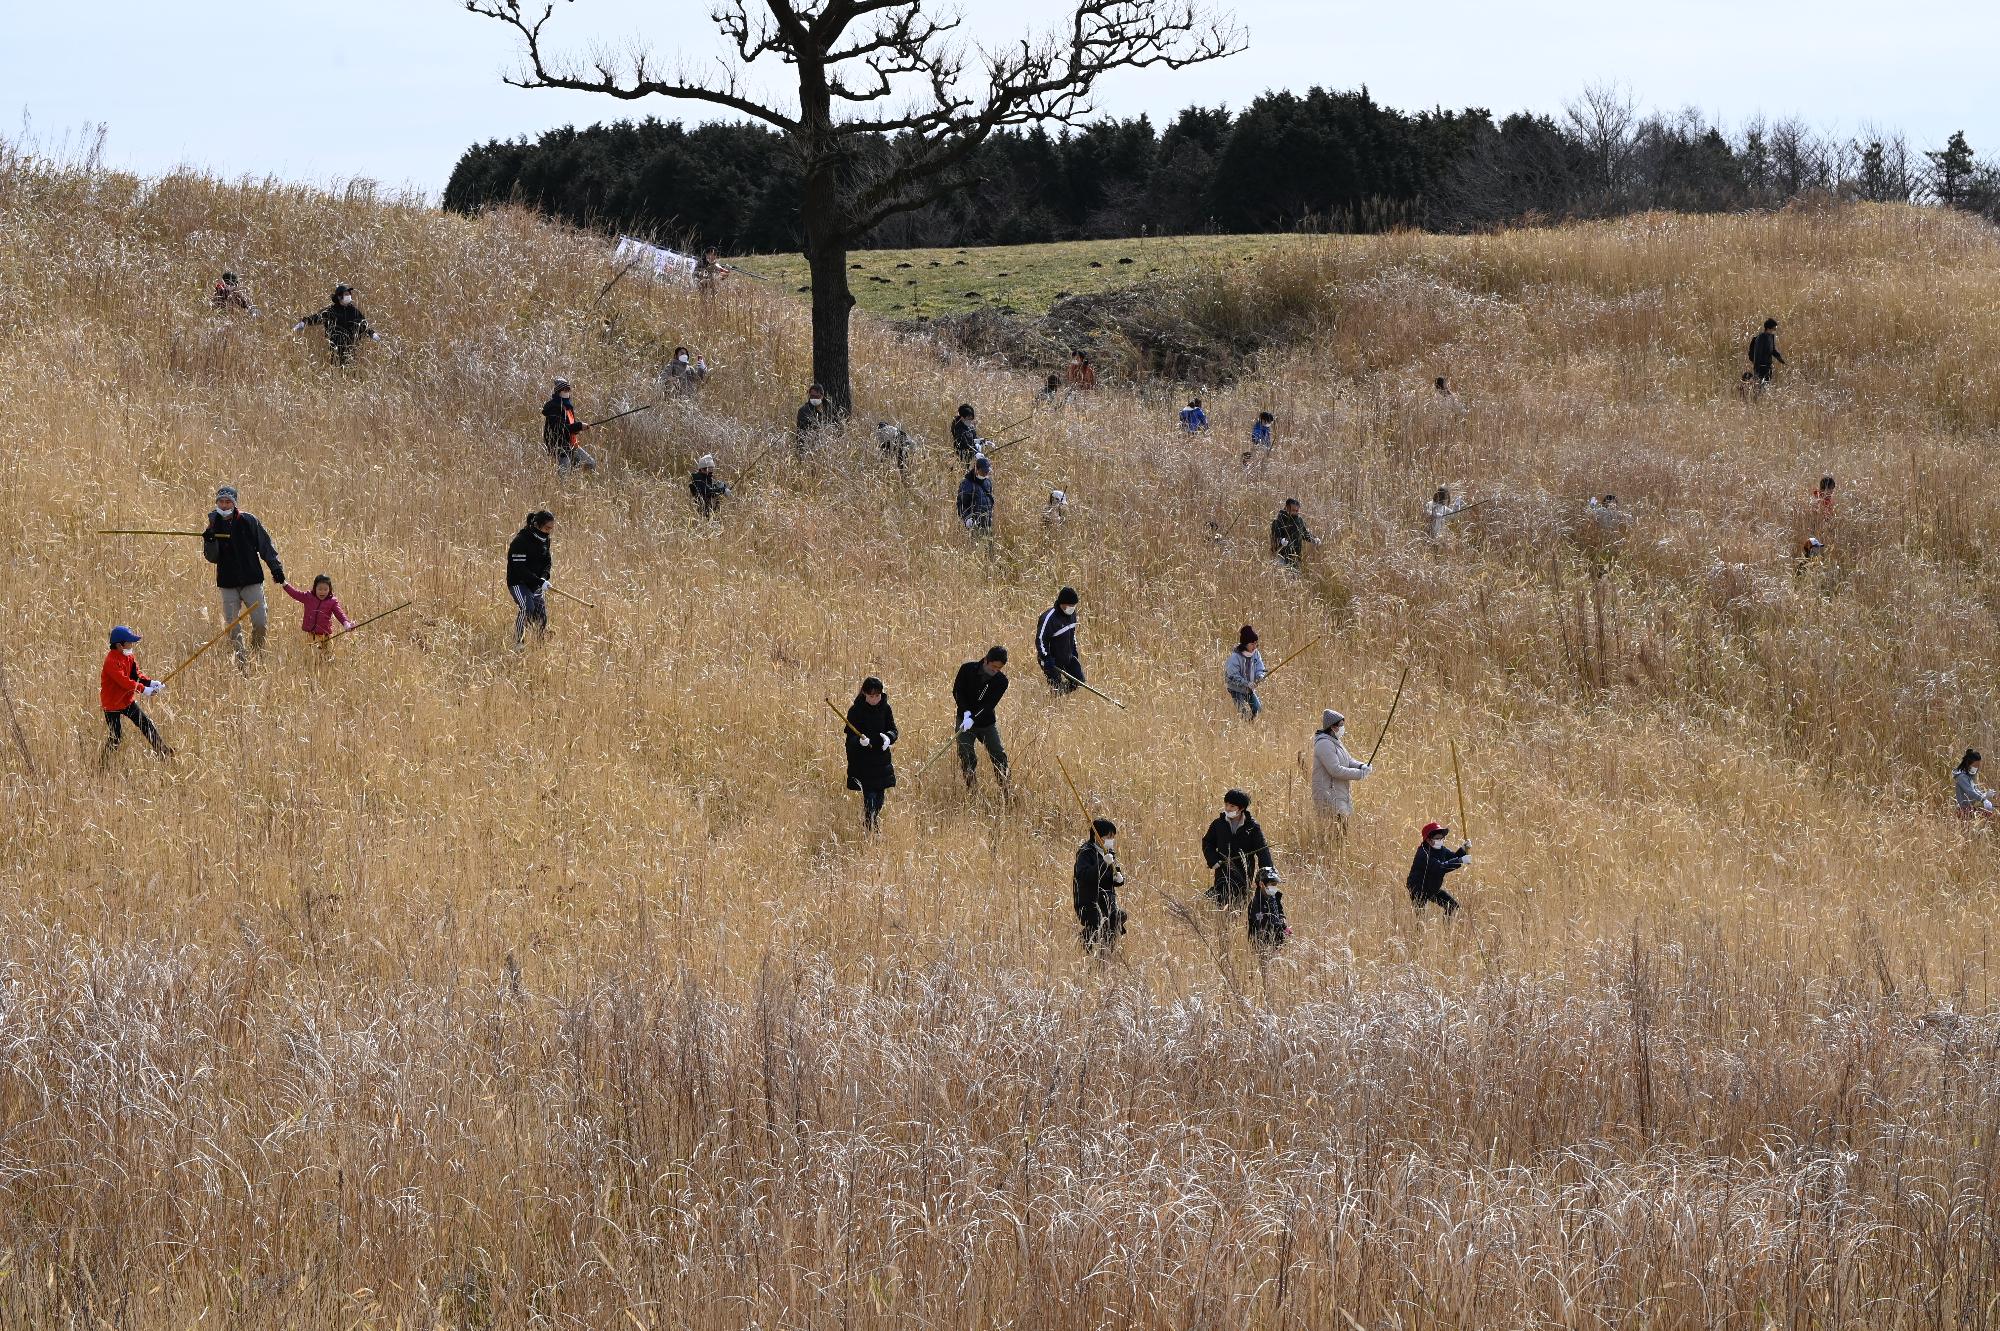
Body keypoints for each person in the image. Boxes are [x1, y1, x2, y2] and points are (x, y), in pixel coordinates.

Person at [203, 485, 284, 665]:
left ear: (234, 503)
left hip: (251, 580)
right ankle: (241, 662)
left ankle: (257, 654)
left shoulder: (249, 521)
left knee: (260, 622)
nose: (224, 505)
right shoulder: (213, 523)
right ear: (217, 503)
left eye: (228, 501)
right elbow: (212, 557)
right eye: (221, 502)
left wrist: (275, 568)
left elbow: (265, 546)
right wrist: (209, 541)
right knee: (233, 627)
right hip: (228, 582)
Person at [100, 625, 170, 761]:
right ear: (120, 645)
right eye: (129, 642)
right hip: (112, 704)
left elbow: (136, 675)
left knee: (146, 724)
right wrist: (144, 690)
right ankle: (103, 764)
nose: (132, 645)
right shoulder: (111, 662)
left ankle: (163, 752)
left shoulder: (129, 656)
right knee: (116, 737)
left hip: (126, 701)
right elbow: (124, 681)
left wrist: (150, 683)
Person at [844, 676, 899, 832]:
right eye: (871, 696)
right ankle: (871, 827)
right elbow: (850, 738)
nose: (874, 699)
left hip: (881, 761)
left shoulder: (886, 708)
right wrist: (859, 741)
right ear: (864, 694)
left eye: (877, 696)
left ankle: (872, 823)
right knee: (870, 799)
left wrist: (889, 737)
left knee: (880, 799)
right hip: (863, 762)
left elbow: (894, 730)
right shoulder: (855, 711)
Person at [951, 646, 1010, 791]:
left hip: (986, 723)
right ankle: (972, 789)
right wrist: (965, 713)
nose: (995, 670)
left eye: (999, 668)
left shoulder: (1001, 681)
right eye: (993, 666)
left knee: (998, 754)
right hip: (963, 721)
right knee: (966, 754)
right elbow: (958, 691)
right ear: (985, 660)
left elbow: (989, 705)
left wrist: (974, 718)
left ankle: (1006, 788)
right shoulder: (967, 669)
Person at [1202, 788, 1273, 908]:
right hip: (1222, 868)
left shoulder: (1252, 828)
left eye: (1232, 806)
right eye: (1226, 804)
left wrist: (1267, 876)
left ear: (1241, 808)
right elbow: (1207, 842)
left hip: (1244, 871)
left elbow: (1263, 851)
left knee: (1240, 901)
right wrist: (1213, 860)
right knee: (1222, 899)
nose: (1227, 808)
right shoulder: (1218, 824)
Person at [1073, 818, 1126, 956]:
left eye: (1113, 837)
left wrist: (1118, 879)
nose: (1111, 840)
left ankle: (1105, 955)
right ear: (1097, 835)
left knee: (1118, 918)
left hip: (1107, 900)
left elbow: (1112, 874)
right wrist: (1103, 863)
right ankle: (1086, 945)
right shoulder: (1086, 852)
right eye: (1108, 837)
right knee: (1098, 925)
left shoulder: (1108, 852)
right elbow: (1084, 876)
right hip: (1090, 901)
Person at [292, 283, 378, 366]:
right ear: (339, 297)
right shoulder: (331, 311)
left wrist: (372, 334)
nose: (349, 296)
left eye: (349, 294)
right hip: (335, 348)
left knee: (350, 371)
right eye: (346, 294)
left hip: (351, 347)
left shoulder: (354, 311)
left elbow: (363, 324)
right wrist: (303, 322)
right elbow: (317, 318)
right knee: (336, 369)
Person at [1311, 709, 1371, 822]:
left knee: (1342, 832)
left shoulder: (1335, 741)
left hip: (1338, 794)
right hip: (1328, 796)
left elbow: (1348, 760)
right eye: (1341, 725)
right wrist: (1360, 774)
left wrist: (1361, 766)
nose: (1343, 727)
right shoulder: (1324, 744)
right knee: (1336, 833)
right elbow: (1335, 770)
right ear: (1333, 727)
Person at [507, 510, 555, 647]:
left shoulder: (545, 540)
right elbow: (520, 569)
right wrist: (539, 581)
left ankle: (539, 644)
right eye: (547, 528)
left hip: (536, 583)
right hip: (518, 583)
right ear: (537, 525)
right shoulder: (520, 542)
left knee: (541, 616)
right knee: (527, 607)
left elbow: (547, 562)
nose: (549, 532)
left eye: (551, 529)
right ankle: (518, 642)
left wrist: (544, 578)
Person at [1407, 821, 1469, 915]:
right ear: (1428, 840)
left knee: (1452, 906)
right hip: (1418, 889)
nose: (1440, 840)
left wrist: (1463, 849)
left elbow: (1453, 857)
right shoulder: (1423, 854)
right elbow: (1440, 868)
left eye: (1442, 838)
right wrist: (1460, 860)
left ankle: (1447, 929)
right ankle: (1419, 930)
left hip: (1432, 887)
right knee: (1421, 918)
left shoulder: (1441, 849)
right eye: (1437, 838)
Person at [280, 574, 354, 651]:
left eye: (325, 589)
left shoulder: (332, 602)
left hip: (325, 637)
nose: (322, 592)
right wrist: (284, 584)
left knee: (327, 657)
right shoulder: (308, 597)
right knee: (310, 658)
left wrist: (346, 623)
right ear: (315, 588)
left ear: (330, 589)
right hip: (311, 636)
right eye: (320, 589)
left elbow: (340, 614)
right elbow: (295, 593)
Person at [542, 377, 596, 474]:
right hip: (559, 446)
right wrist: (579, 426)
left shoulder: (568, 407)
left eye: (569, 389)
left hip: (571, 443)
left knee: (590, 463)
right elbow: (560, 429)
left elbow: (570, 427)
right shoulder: (554, 408)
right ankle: (562, 489)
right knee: (564, 475)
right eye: (565, 389)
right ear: (559, 392)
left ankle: (578, 486)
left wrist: (580, 427)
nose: (568, 392)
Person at [1035, 587, 1083, 692]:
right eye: (1070, 605)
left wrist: (1074, 651)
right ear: (1062, 603)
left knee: (1079, 681)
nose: (1072, 608)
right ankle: (1052, 699)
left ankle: (1055, 695)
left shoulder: (1072, 614)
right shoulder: (1049, 618)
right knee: (1056, 685)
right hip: (1051, 661)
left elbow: (1072, 634)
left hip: (1067, 657)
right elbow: (1040, 640)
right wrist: (1046, 657)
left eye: (1074, 605)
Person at [1225, 626, 1267, 719]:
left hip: (1249, 689)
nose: (1255, 646)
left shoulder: (1255, 653)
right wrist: (1247, 683)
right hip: (1236, 689)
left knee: (1257, 709)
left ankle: (1252, 725)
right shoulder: (1235, 657)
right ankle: (1245, 725)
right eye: (1252, 644)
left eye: (1256, 643)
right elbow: (1232, 676)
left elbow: (1260, 667)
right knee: (1243, 713)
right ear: (1245, 644)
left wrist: (1260, 675)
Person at [1247, 867, 1290, 952]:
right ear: (1261, 884)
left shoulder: (1274, 897)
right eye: (1272, 884)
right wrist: (1280, 927)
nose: (1274, 887)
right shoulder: (1256, 903)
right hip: (1262, 946)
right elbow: (1261, 925)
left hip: (1277, 942)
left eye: (1275, 884)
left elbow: (1279, 910)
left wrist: (1282, 919)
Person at [1270, 498, 1319, 569]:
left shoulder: (1299, 521)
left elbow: (1304, 534)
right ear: (1286, 508)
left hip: (1295, 556)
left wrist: (1313, 539)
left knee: (1295, 577)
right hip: (1281, 556)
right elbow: (1274, 538)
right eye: (1293, 510)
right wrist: (1281, 541)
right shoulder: (1278, 521)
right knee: (1282, 577)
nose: (1296, 512)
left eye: (1297, 510)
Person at [957, 455, 995, 534]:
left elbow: (990, 501)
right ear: (976, 470)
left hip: (988, 524)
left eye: (987, 472)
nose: (985, 474)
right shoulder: (967, 484)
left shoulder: (988, 482)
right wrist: (967, 519)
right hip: (974, 525)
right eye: (983, 472)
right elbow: (961, 505)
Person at [1954, 750, 1995, 819]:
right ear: (1968, 764)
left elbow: (1976, 790)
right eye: (1975, 765)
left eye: (1978, 766)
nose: (1977, 768)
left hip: (1970, 808)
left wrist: (1985, 795)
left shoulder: (1969, 776)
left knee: (1990, 814)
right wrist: (1983, 800)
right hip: (1964, 810)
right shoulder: (1961, 777)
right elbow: (1970, 792)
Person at [795, 384, 834, 455]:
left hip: (823, 447)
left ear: (822, 396)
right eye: (812, 396)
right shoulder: (804, 410)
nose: (814, 399)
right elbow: (804, 429)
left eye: (817, 396)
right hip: (806, 447)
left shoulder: (827, 409)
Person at [1748, 318, 1785, 392]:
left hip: (1768, 367)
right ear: (1769, 327)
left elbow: (1773, 350)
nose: (1776, 328)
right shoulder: (1761, 338)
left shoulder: (1771, 337)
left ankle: (1762, 400)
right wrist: (1756, 370)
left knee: (1766, 387)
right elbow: (1757, 354)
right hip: (1761, 368)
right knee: (1760, 388)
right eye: (1774, 326)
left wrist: (1780, 359)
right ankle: (1758, 401)